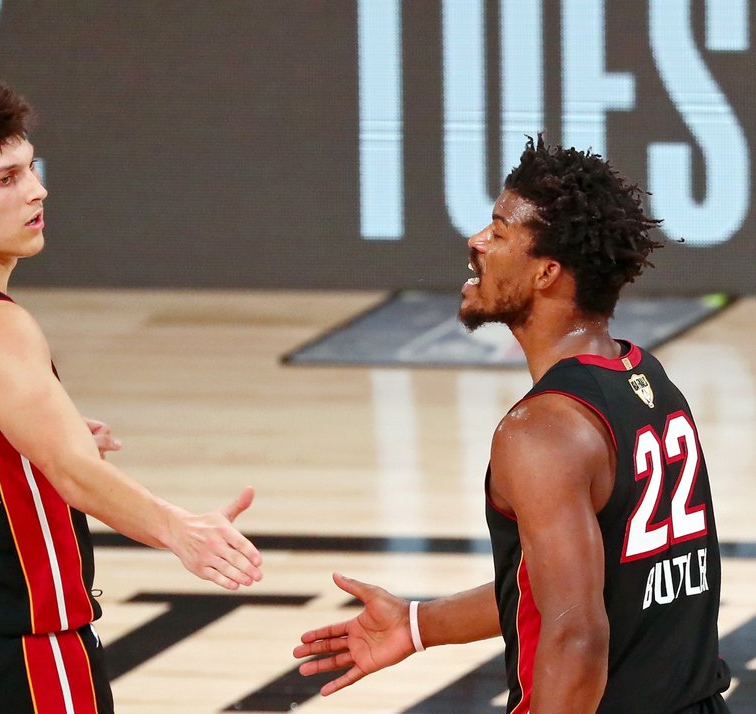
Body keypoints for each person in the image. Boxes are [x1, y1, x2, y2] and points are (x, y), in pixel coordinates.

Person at [0, 77, 264, 714]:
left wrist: (22, 441)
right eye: (5, 179)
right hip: (29, 652)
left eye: (31, 168)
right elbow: (73, 475)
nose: (37, 190)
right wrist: (180, 532)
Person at [293, 136, 731, 713]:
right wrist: (419, 624)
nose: (476, 242)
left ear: (547, 272)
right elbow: (577, 589)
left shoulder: (540, 431)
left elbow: (577, 634)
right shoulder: (645, 379)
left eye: (499, 232)